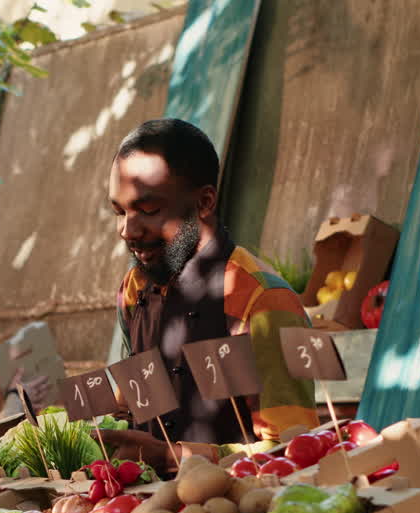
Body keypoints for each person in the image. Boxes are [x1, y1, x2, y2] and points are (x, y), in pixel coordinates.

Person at [102, 118, 318, 461]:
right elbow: (136, 399)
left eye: (148, 210)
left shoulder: (264, 301)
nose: (128, 230)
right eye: (119, 211)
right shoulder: (135, 288)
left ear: (204, 203)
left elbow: (294, 450)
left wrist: (172, 456)